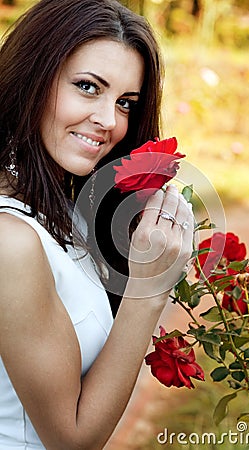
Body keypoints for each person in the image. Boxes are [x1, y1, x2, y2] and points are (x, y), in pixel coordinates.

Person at [0, 0, 194, 448]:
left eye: (126, 102)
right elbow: (72, 441)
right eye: (88, 87)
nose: (110, 121)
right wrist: (150, 287)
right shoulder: (11, 239)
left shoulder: (58, 213)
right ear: (32, 78)